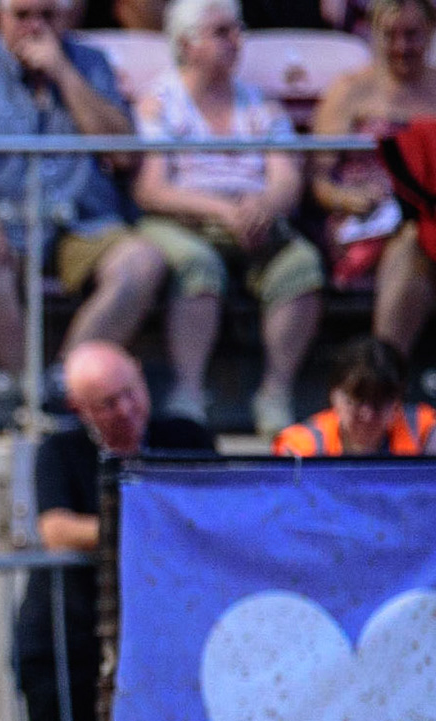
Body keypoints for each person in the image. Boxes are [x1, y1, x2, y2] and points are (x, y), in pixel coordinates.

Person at [16, 342, 212, 721]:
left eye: (132, 393)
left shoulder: (184, 438)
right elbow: (56, 529)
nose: (126, 411)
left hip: (163, 641)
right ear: (81, 410)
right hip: (65, 639)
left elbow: (215, 512)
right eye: (108, 403)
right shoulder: (60, 451)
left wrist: (115, 527)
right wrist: (152, 522)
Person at [0, 0, 168, 407]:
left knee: (142, 261)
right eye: (22, 15)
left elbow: (124, 153)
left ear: (67, 15)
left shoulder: (90, 63)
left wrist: (63, 73)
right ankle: (28, 389)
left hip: (84, 221)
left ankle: (64, 384)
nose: (35, 27)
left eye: (48, 16)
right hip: (1, 217)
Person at [132, 0, 325, 433]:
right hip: (186, 220)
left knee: (301, 265)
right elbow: (150, 189)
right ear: (188, 43)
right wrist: (224, 210)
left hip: (254, 220)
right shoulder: (160, 103)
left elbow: (287, 178)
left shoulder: (261, 104)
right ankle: (189, 392)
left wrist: (263, 207)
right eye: (222, 32)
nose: (237, 40)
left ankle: (276, 394)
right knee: (197, 265)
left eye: (237, 29)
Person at [312, 0, 436, 353]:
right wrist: (347, 198)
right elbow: (318, 181)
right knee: (415, 240)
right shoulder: (350, 92)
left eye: (411, 35)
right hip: (364, 220)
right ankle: (382, 374)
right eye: (389, 35)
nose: (401, 46)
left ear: (430, 32)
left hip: (427, 212)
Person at [272, 336, 436, 454]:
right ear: (334, 395)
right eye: (357, 401)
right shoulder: (301, 446)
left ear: (397, 401)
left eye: (378, 403)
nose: (367, 414)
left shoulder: (426, 431)